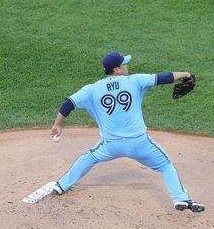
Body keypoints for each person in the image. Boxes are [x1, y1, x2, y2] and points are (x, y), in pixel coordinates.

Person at [50, 51, 204, 212]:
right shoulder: (135, 81)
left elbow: (69, 103)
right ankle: (181, 199)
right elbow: (163, 78)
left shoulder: (92, 89)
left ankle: (61, 185)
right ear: (116, 69)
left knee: (89, 157)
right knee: (166, 165)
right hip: (139, 143)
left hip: (111, 145)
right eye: (124, 63)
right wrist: (185, 74)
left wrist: (58, 125)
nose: (126, 65)